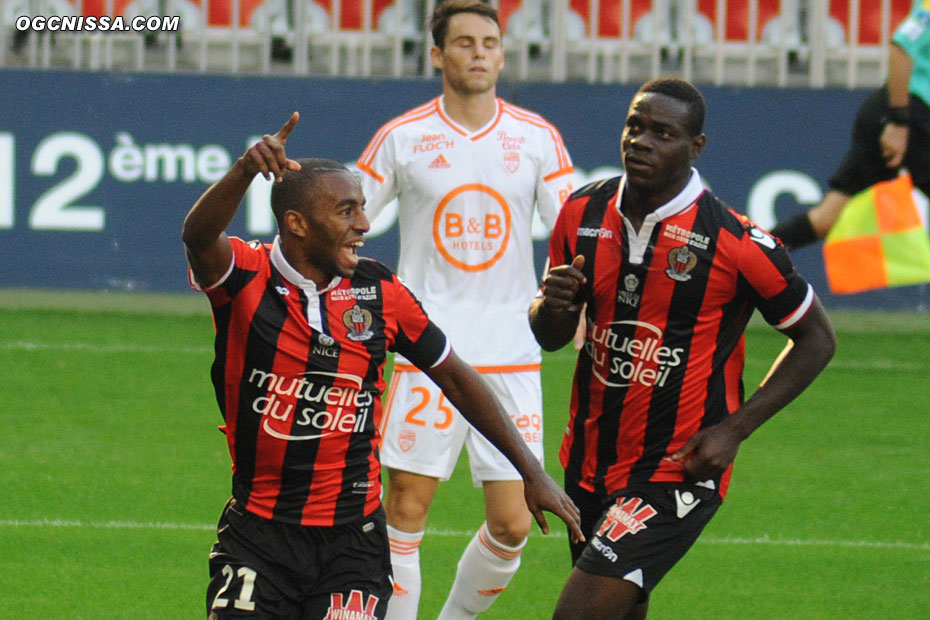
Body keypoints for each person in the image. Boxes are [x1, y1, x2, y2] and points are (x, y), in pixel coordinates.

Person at [181, 112, 583, 620]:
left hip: (354, 544)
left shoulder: (380, 292)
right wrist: (243, 171)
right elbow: (197, 237)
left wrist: (531, 470)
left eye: (363, 209)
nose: (365, 225)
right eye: (346, 211)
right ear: (297, 224)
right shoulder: (246, 276)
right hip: (260, 536)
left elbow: (455, 377)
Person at [528, 78, 836, 620]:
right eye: (635, 126)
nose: (641, 142)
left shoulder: (735, 241)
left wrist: (733, 430)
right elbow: (551, 338)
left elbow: (817, 339)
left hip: (678, 467)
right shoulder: (581, 213)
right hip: (589, 462)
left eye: (662, 133)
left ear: (696, 147)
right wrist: (551, 307)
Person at [354, 1, 577, 619]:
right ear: (437, 55)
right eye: (465, 43)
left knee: (512, 523)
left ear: (502, 54)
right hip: (426, 352)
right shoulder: (403, 137)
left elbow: (573, 240)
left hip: (511, 354)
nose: (479, 53)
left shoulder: (535, 138)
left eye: (490, 42)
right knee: (405, 510)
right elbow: (347, 216)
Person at [771, 0, 930, 249]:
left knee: (826, 219)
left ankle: (749, 259)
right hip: (907, 116)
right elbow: (901, 49)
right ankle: (748, 261)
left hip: (906, 116)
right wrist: (899, 121)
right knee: (827, 217)